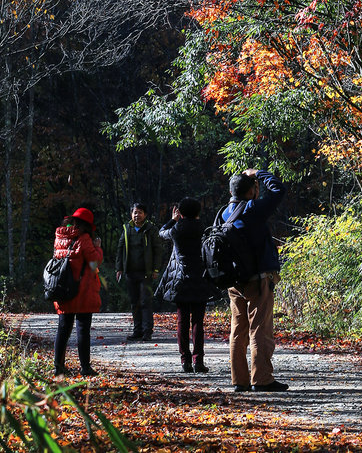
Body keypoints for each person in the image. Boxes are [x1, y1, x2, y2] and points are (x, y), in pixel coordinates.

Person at [220, 167, 287, 393]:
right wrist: (259, 173)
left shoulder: (224, 214)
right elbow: (279, 190)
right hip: (258, 280)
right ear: (251, 191)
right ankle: (262, 379)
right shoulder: (253, 209)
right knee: (260, 329)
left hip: (234, 281)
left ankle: (239, 380)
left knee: (238, 330)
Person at [159, 198, 212, 374]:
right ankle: (199, 360)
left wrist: (173, 219)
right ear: (198, 213)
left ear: (180, 213)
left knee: (182, 321)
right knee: (198, 322)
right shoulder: (204, 230)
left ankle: (185, 361)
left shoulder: (176, 230)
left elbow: (161, 232)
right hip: (200, 279)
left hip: (180, 281)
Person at [51, 206, 103, 377]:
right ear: (87, 225)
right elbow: (93, 264)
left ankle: (58, 367)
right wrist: (98, 249)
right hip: (82, 290)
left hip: (63, 289)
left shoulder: (60, 237)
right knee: (82, 329)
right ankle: (85, 367)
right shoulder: (84, 238)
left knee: (63, 329)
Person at [115, 201, 159, 341]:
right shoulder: (127, 229)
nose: (137, 215)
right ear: (131, 214)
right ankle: (137, 330)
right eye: (135, 212)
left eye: (140, 212)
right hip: (130, 272)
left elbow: (158, 250)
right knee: (135, 302)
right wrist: (119, 268)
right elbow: (120, 248)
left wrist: (156, 269)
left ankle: (147, 332)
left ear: (145, 214)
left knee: (146, 301)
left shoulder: (151, 229)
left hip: (146, 272)